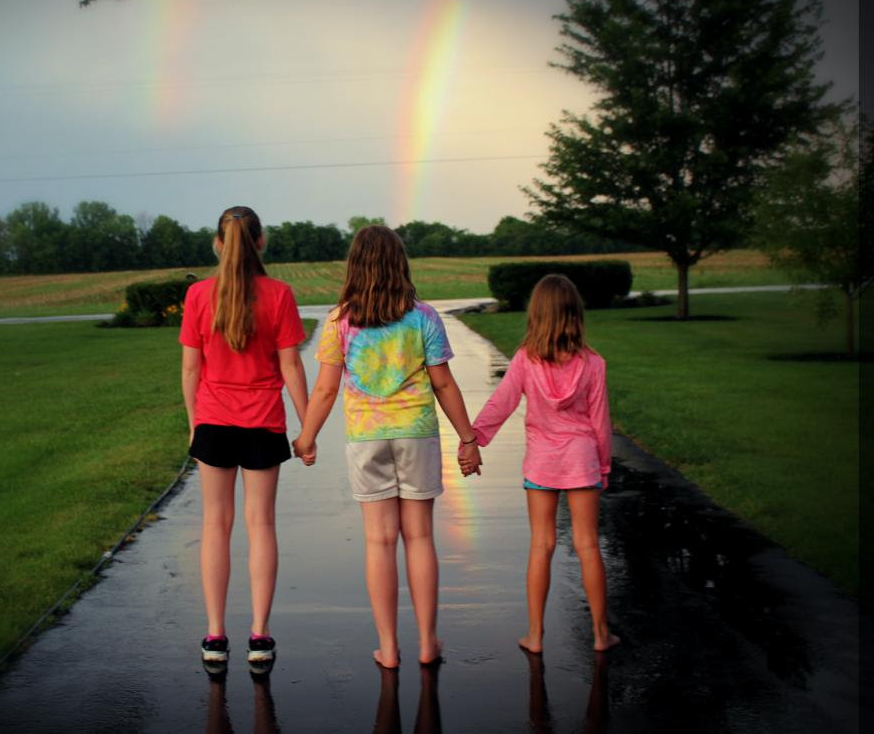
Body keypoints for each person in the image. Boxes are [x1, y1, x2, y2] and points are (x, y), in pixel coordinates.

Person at [292, 225, 482, 669]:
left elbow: (323, 391)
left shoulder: (340, 321)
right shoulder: (423, 317)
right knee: (418, 537)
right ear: (401, 265)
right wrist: (468, 439)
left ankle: (389, 649)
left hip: (367, 439)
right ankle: (426, 642)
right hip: (416, 434)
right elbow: (444, 383)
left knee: (379, 541)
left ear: (354, 266)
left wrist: (306, 437)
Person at [179, 205, 309, 671]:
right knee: (261, 525)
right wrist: (307, 427)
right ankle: (260, 636)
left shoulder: (198, 295)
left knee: (216, 523)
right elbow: (291, 365)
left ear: (218, 243)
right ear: (261, 242)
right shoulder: (279, 294)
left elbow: (191, 369)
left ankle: (215, 636)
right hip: (262, 422)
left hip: (214, 421)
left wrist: (196, 422)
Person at [464, 274, 620, 653]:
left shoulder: (525, 360)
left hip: (541, 463)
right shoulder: (593, 364)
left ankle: (534, 635)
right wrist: (603, 468)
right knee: (586, 545)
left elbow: (502, 402)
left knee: (541, 545)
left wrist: (474, 438)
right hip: (582, 459)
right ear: (575, 315)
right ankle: (601, 634)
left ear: (536, 315)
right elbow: (600, 422)